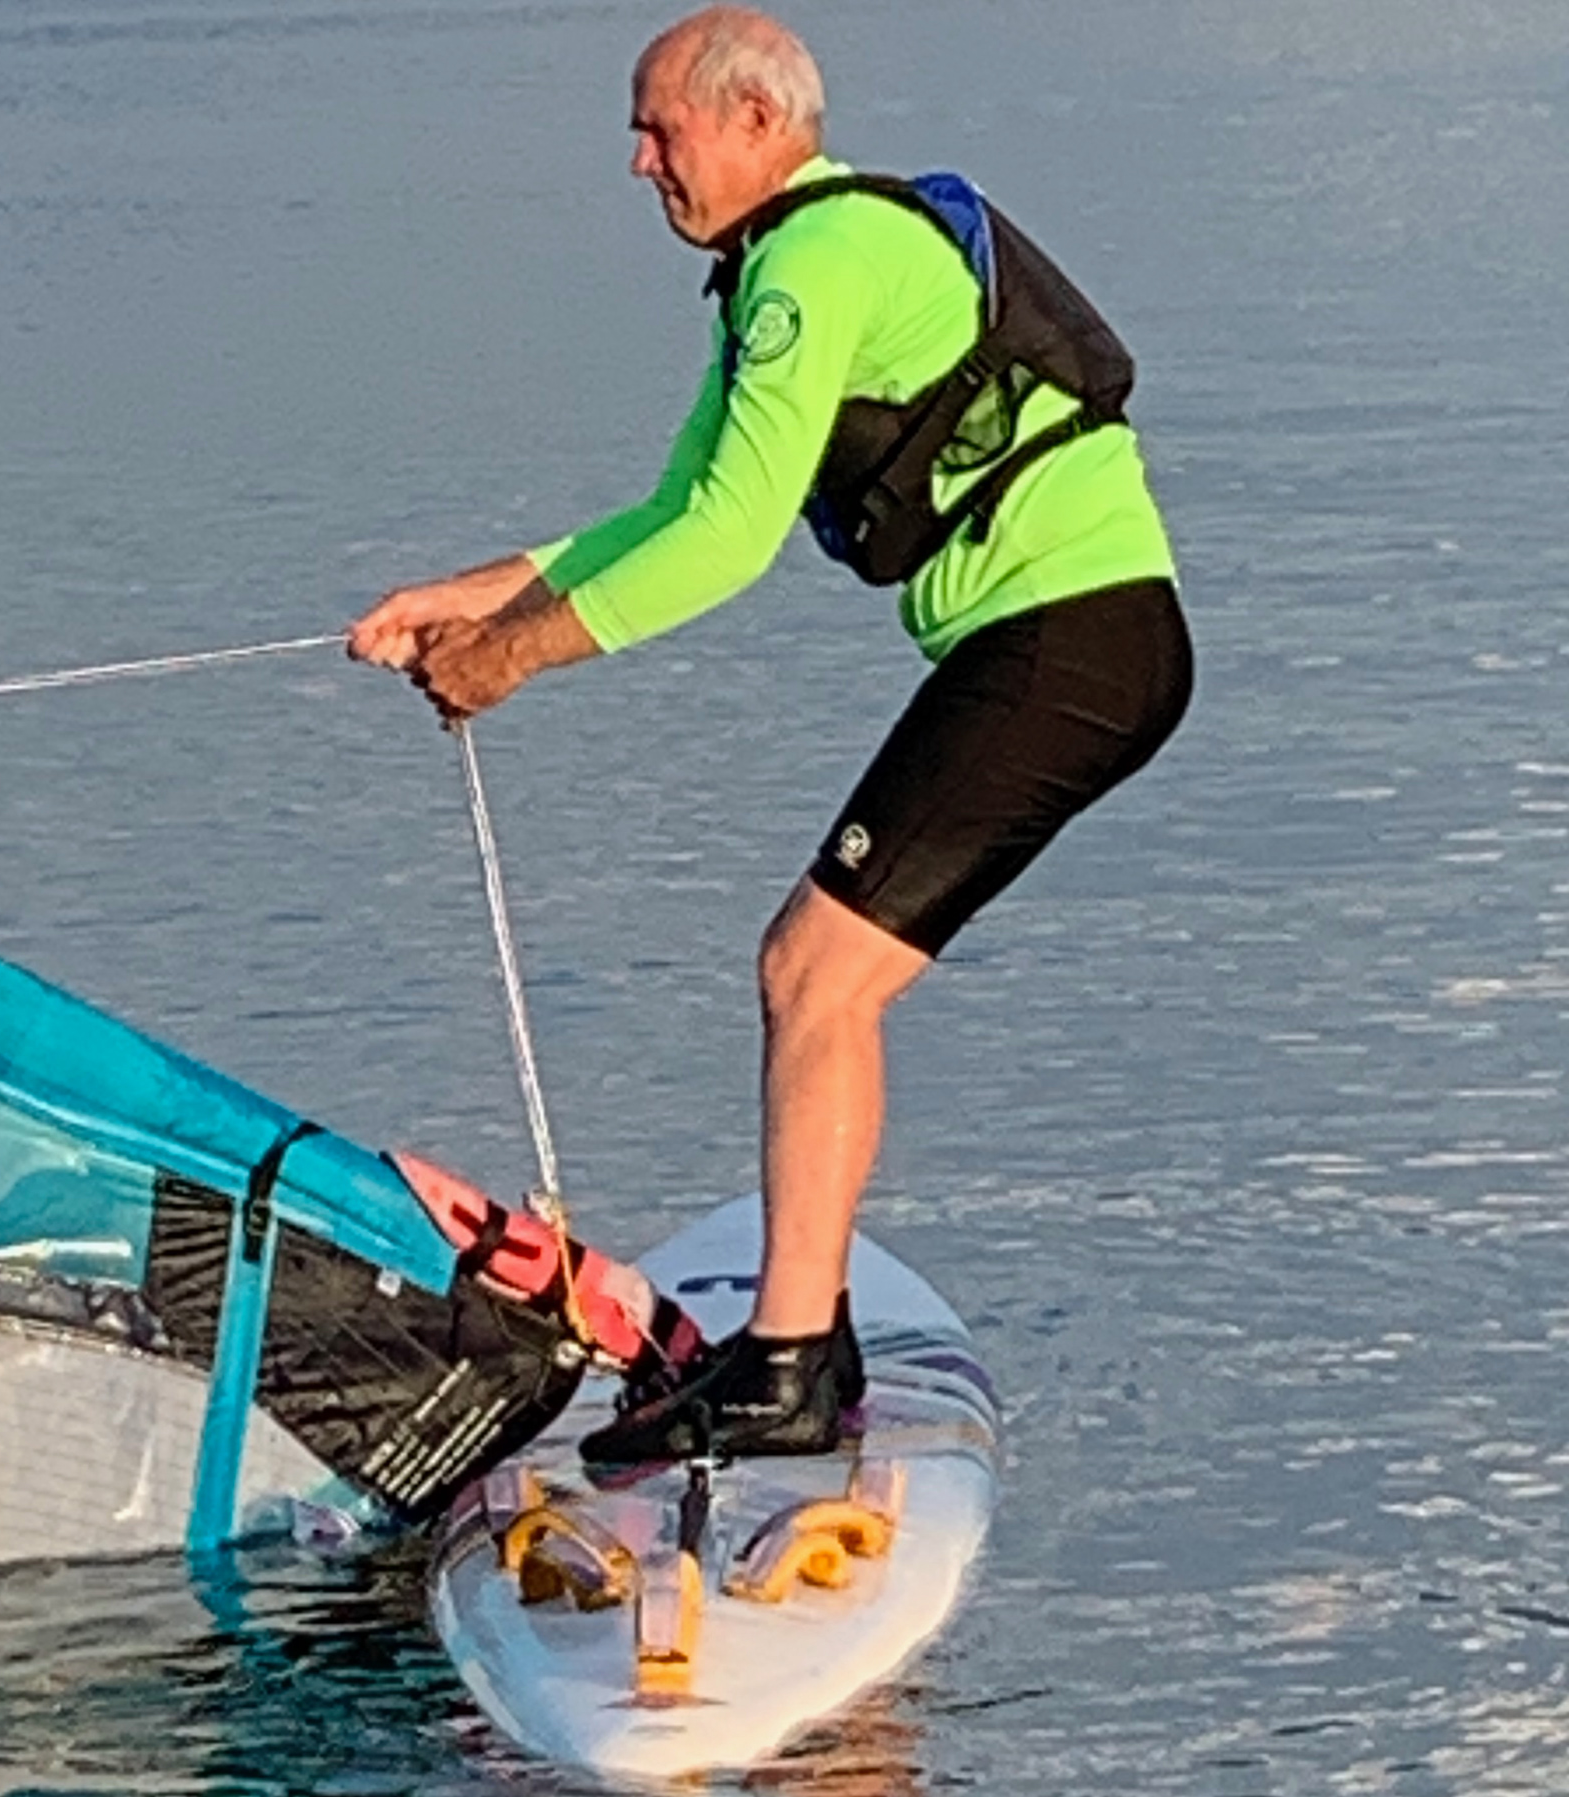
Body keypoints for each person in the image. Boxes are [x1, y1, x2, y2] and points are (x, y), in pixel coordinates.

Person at [348, 6, 1192, 1465]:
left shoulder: (814, 263)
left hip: (1075, 640)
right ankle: (810, 1340)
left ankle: (792, 1365)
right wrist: (461, 597)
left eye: (658, 127)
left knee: (814, 970)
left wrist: (515, 660)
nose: (636, 161)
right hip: (1066, 641)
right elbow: (667, 513)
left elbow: (732, 543)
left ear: (756, 124)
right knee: (817, 973)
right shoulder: (780, 266)